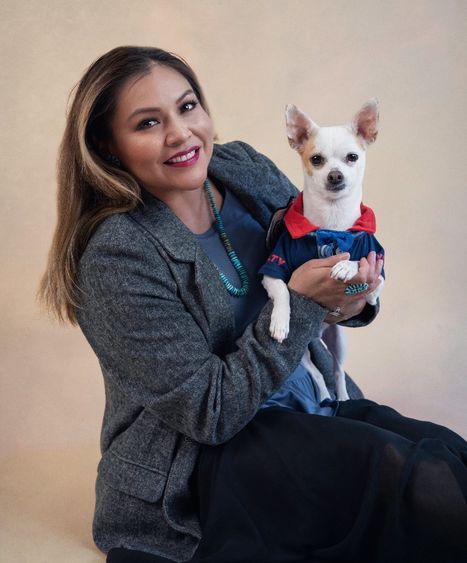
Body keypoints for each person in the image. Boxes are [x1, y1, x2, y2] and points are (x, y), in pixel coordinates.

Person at [39, 46, 467, 563]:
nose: (180, 132)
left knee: (449, 456)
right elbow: (208, 413)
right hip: (211, 459)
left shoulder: (241, 168)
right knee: (421, 485)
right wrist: (308, 303)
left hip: (311, 401)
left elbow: (326, 260)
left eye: (188, 106)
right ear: (108, 147)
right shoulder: (117, 255)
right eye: (149, 122)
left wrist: (354, 298)